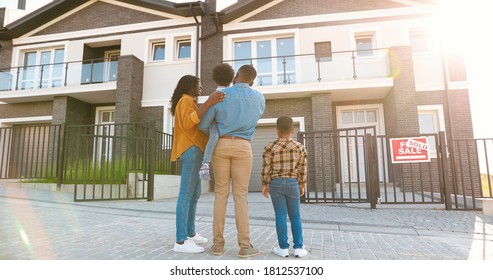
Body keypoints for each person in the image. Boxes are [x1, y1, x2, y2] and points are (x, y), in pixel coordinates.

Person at [198, 64, 265, 258]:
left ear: (236, 76)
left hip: (221, 146)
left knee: (220, 194)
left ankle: (218, 245)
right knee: (240, 196)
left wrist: (217, 130)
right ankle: (245, 246)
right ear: (252, 81)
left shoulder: (222, 95)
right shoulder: (259, 97)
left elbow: (203, 125)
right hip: (244, 147)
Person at [170, 75, 225, 253]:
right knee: (186, 194)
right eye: (198, 84)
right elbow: (188, 123)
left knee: (194, 194)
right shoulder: (185, 100)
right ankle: (180, 241)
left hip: (196, 151)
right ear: (189, 86)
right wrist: (208, 103)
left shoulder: (189, 102)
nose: (201, 87)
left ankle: (190, 233)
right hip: (191, 150)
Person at [261, 116, 308, 258]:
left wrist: (264, 184)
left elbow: (266, 168)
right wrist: (302, 184)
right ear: (293, 130)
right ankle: (299, 248)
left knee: (280, 215)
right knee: (295, 215)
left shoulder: (269, 147)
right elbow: (303, 168)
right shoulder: (300, 147)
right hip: (293, 182)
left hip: (275, 183)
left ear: (277, 130)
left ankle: (283, 248)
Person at [199, 63, 235, 181]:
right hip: (230, 132)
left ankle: (205, 163)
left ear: (214, 79)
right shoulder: (233, 95)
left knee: (214, 133)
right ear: (231, 79)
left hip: (214, 126)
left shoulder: (214, 95)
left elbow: (204, 122)